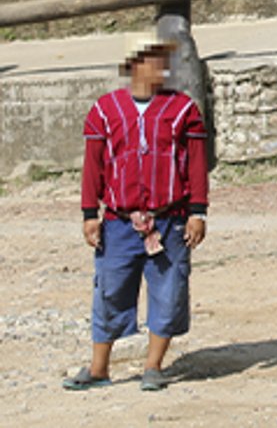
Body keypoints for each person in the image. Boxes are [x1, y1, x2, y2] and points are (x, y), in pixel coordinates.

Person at [62, 30, 208, 393]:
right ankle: (99, 368)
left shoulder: (183, 110)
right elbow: (94, 167)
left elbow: (195, 164)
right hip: (118, 220)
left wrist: (198, 211)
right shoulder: (104, 111)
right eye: (154, 59)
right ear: (134, 65)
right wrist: (88, 213)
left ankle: (153, 366)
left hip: (170, 219)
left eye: (164, 60)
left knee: (170, 290)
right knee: (110, 290)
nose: (162, 67)